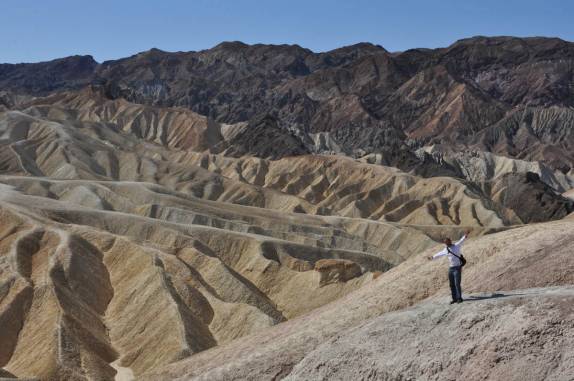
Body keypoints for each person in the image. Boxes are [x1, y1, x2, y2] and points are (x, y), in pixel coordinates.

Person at [428, 232, 469, 304]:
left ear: (450, 241)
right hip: (451, 268)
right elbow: (439, 254)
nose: (446, 243)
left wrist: (465, 236)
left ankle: (459, 298)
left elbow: (461, 240)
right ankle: (454, 299)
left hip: (457, 268)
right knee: (452, 284)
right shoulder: (446, 249)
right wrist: (433, 257)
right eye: (445, 242)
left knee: (457, 283)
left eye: (447, 242)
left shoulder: (456, 246)